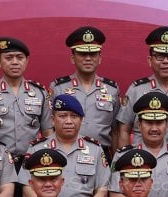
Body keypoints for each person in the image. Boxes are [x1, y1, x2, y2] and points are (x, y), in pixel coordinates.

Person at [18, 94, 109, 197]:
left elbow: (102, 191)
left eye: (74, 116)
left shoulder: (95, 149)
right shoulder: (36, 148)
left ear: (82, 120)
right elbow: (27, 189)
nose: (69, 121)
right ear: (53, 120)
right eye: (63, 116)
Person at [117, 26, 168, 148]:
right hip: (142, 162)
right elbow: (124, 130)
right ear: (150, 60)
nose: (166, 61)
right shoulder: (136, 90)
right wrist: (124, 162)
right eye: (160, 56)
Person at [109, 92, 168, 197]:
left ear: (167, 125)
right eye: (148, 122)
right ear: (139, 125)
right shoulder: (123, 155)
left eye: (159, 123)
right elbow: (115, 194)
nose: (154, 128)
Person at [0, 37, 52, 171]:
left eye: (20, 58)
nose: (15, 62)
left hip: (32, 163)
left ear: (27, 61)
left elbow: (48, 132)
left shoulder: (40, 93)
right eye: (9, 58)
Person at [49, 26, 120, 154]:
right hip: (66, 153)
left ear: (100, 58)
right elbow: (49, 127)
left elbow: (116, 131)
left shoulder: (111, 89)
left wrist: (115, 164)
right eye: (82, 54)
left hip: (102, 155)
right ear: (72, 58)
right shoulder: (58, 87)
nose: (88, 58)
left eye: (93, 54)